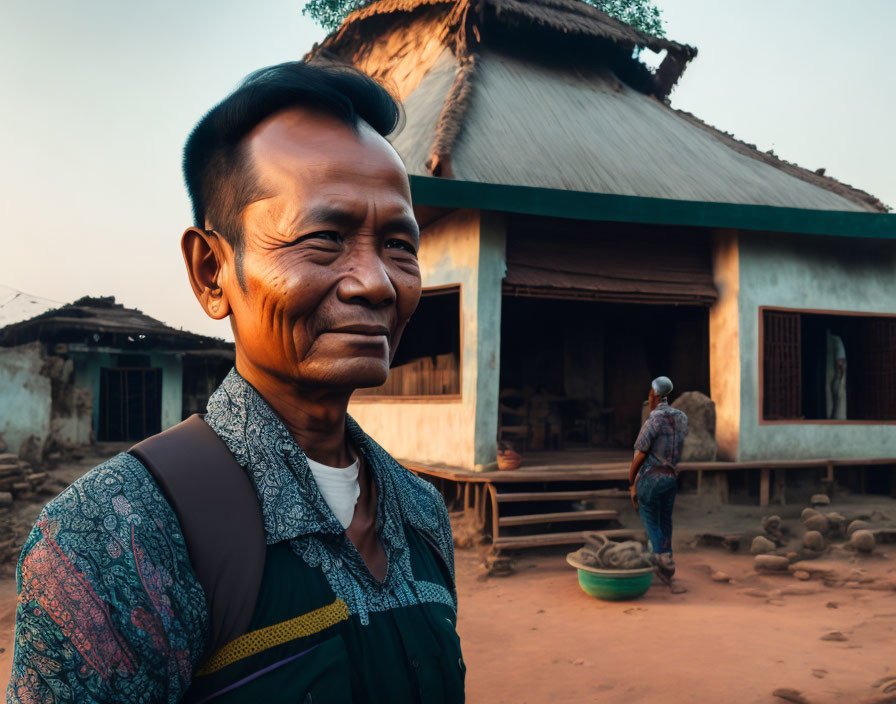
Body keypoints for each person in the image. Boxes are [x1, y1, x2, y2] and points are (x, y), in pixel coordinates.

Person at [8, 61, 464, 704]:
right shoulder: (115, 536)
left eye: (398, 245)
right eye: (324, 238)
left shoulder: (419, 515)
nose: (377, 282)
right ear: (212, 271)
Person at [628, 376, 688, 593]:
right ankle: (667, 559)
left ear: (653, 396)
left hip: (651, 478)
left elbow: (640, 455)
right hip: (671, 479)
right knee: (665, 520)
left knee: (649, 516)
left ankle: (663, 558)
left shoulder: (653, 420)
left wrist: (631, 482)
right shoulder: (682, 418)